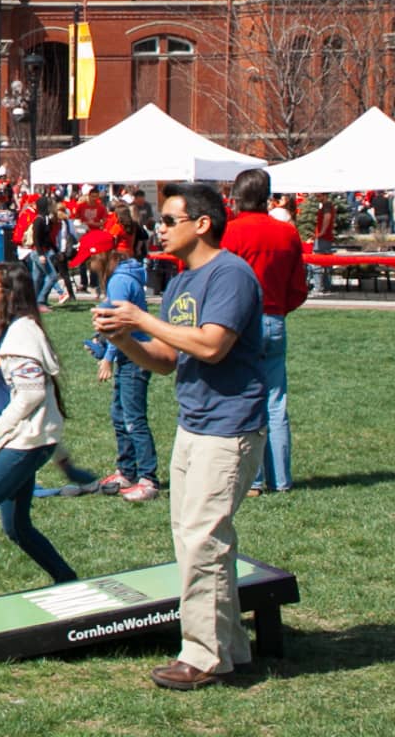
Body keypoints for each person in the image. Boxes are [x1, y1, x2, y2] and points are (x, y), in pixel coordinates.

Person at [95, 182, 267, 692]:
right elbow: (169, 362)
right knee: (197, 541)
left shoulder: (231, 274)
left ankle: (202, 657)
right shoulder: (180, 284)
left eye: (169, 220)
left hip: (229, 427)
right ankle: (230, 647)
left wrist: (141, 318)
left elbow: (212, 346)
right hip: (193, 425)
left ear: (202, 224)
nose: (160, 229)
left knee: (202, 541)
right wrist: (124, 338)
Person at [0, 263, 82, 605]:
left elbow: (32, 394)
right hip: (25, 440)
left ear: (9, 294)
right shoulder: (7, 328)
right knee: (17, 527)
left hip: (25, 442)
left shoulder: (22, 333)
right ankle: (66, 579)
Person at [217, 169, 308, 497]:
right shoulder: (287, 233)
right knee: (275, 401)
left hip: (243, 321)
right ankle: (280, 479)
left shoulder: (230, 233)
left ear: (239, 198)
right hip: (274, 318)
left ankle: (253, 480)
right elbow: (298, 286)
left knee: (246, 400)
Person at [85, 244, 158, 500]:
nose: (89, 267)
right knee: (119, 414)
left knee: (133, 419)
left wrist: (107, 358)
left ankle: (148, 478)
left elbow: (120, 327)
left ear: (100, 257)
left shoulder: (119, 281)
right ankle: (126, 471)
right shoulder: (121, 278)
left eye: (90, 261)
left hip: (134, 355)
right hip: (128, 354)